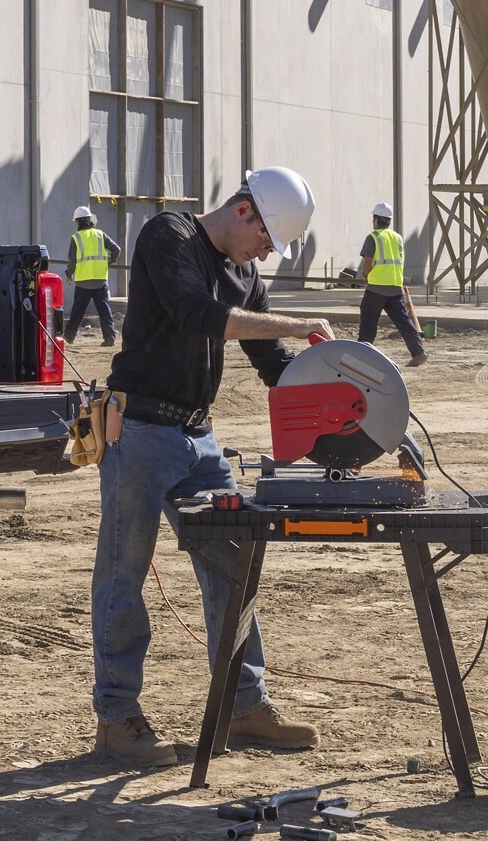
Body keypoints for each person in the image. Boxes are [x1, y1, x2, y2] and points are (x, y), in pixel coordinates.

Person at [92, 166, 334, 767]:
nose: (264, 255)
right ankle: (117, 718)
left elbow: (273, 364)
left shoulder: (246, 275)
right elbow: (197, 314)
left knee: (234, 565)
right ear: (245, 210)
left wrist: (339, 412)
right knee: (125, 573)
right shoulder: (166, 235)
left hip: (199, 438)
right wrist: (301, 323)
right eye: (266, 241)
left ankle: (245, 706)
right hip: (140, 430)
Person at [356, 202, 428, 367]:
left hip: (376, 288)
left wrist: (366, 275)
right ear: (388, 220)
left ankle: (360, 355)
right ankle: (418, 352)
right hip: (395, 287)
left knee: (368, 321)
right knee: (403, 321)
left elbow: (367, 262)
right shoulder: (398, 238)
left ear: (375, 220)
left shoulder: (373, 237)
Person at [64, 206, 122, 346]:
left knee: (77, 312)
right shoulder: (100, 234)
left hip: (84, 281)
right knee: (104, 310)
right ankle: (109, 338)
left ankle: (68, 338)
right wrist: (108, 260)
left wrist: (69, 274)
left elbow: (72, 261)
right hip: (101, 279)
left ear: (78, 221)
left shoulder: (76, 238)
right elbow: (116, 249)